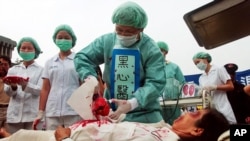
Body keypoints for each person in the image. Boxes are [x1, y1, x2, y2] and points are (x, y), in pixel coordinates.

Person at [74, 1, 166, 123]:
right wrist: (90, 78)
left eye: (129, 31)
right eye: (119, 29)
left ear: (141, 29)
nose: (123, 34)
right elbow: (82, 57)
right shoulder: (107, 41)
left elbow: (156, 83)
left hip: (144, 113)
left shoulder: (151, 49)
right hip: (111, 112)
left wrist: (132, 103)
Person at [0, 108, 230, 141]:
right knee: (19, 135)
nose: (187, 111)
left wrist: (65, 139)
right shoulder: (163, 129)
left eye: (195, 112)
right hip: (73, 131)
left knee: (21, 136)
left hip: (65, 138)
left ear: (197, 130)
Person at [33, 24, 82, 130]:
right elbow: (45, 89)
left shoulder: (79, 60)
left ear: (72, 40)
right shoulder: (49, 62)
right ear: (55, 40)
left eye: (66, 37)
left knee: (73, 137)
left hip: (73, 110)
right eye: (60, 37)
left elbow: (83, 86)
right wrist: (41, 111)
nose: (63, 40)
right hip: (53, 111)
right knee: (52, 138)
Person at [3, 37, 43, 133]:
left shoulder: (41, 70)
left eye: (29, 48)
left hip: (32, 115)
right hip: (14, 115)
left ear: (35, 51)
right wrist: (13, 87)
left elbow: (40, 90)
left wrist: (25, 85)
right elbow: (8, 92)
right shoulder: (13, 69)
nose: (26, 50)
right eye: (23, 48)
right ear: (19, 50)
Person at [192, 52, 236, 124]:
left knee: (229, 129)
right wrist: (201, 93)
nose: (197, 65)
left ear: (205, 59)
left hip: (223, 106)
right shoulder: (201, 77)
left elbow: (231, 86)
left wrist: (215, 87)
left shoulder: (219, 69)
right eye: (195, 64)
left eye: (198, 62)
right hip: (211, 110)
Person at [157, 41, 186, 125]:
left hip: (173, 103)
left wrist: (183, 101)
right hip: (157, 103)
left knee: (175, 125)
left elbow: (182, 84)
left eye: (161, 50)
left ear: (166, 52)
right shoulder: (151, 67)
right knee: (160, 127)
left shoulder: (174, 67)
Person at [0, 56, 11, 129]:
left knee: (7, 136)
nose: (3, 66)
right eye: (1, 64)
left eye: (5, 64)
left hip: (9, 110)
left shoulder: (13, 79)